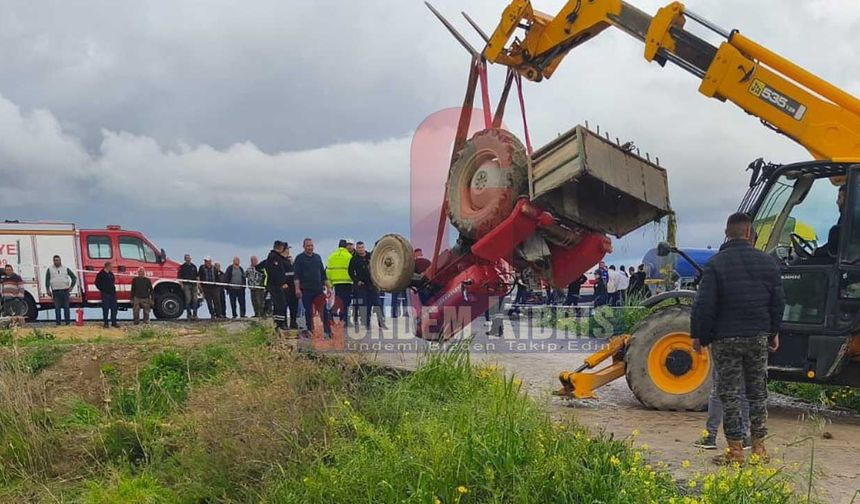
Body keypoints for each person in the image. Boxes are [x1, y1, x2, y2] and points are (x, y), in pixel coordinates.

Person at [691, 212, 784, 464]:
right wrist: (774, 332)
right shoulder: (768, 263)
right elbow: (777, 303)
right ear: (748, 233)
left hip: (726, 339)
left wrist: (699, 336)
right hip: (757, 337)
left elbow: (704, 305)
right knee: (757, 393)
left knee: (729, 394)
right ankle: (759, 449)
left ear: (726, 233)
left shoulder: (715, 264)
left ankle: (734, 452)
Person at [293, 238, 331, 337]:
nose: (310, 247)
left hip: (318, 289)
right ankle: (311, 330)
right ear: (304, 246)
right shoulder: (299, 258)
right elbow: (296, 275)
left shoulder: (317, 257)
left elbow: (323, 274)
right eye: (308, 246)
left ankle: (327, 330)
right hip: (306, 290)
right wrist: (297, 289)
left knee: (324, 311)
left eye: (311, 245)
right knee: (309, 311)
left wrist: (329, 287)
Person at [349, 241, 387, 329]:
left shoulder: (371, 256)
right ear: (356, 248)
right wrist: (356, 281)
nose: (360, 249)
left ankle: (381, 323)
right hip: (362, 285)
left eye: (362, 247)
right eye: (359, 248)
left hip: (373, 284)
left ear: (364, 247)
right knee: (365, 305)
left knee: (377, 304)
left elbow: (379, 266)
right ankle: (367, 323)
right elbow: (350, 272)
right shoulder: (354, 259)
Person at [327, 239, 354, 327]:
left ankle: (332, 318)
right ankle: (344, 320)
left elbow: (328, 271)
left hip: (336, 283)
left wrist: (330, 283)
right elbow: (352, 270)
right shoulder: (349, 256)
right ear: (346, 246)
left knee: (337, 302)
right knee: (346, 303)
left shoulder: (332, 256)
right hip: (347, 282)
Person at [45, 255, 77, 325]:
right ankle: (58, 323)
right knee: (57, 308)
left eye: (58, 260)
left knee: (66, 307)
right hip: (55, 291)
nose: (57, 261)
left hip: (65, 290)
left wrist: (71, 287)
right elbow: (47, 280)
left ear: (60, 260)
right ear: (53, 261)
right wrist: (47, 289)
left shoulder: (65, 268)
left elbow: (74, 277)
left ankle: (67, 323)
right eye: (56, 260)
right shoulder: (50, 269)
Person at [265, 241, 289, 330]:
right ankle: (279, 324)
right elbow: (275, 272)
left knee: (280, 304)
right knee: (280, 304)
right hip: (275, 286)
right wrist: (281, 283)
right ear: (279, 247)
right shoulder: (273, 257)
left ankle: (279, 323)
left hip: (276, 285)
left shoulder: (276, 257)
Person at [95, 262, 119, 328]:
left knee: (114, 308)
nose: (112, 268)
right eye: (111, 266)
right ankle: (106, 323)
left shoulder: (111, 274)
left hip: (112, 293)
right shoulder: (101, 274)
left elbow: (113, 281)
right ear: (107, 266)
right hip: (105, 294)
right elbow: (97, 283)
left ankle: (114, 322)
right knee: (106, 309)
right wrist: (103, 289)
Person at [178, 254, 199, 320]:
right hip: (186, 285)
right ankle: (189, 314)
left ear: (190, 258)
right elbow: (179, 277)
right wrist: (181, 285)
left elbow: (197, 276)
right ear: (185, 259)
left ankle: (195, 314)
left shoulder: (194, 266)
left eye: (189, 258)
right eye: (186, 258)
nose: (188, 259)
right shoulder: (182, 267)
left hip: (194, 285)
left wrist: (198, 285)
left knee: (195, 299)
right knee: (188, 299)